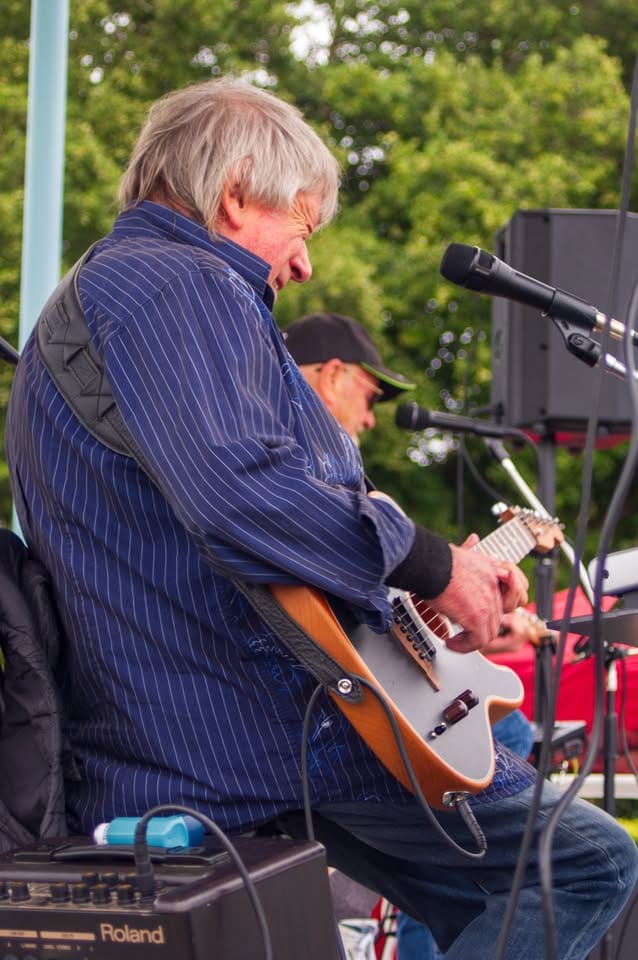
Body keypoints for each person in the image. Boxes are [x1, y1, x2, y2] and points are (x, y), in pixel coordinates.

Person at [5, 77, 636, 960]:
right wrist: (429, 562)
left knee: (483, 902)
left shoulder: (134, 291)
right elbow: (242, 492)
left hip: (219, 727)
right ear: (233, 195)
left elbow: (235, 523)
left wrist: (411, 601)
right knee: (578, 865)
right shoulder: (172, 285)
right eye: (302, 225)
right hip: (248, 731)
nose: (304, 265)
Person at [285, 311, 536, 959]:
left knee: (503, 748)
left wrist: (453, 613)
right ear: (332, 374)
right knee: (588, 857)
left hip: (350, 712)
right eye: (370, 397)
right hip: (320, 729)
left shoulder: (332, 480)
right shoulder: (294, 468)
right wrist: (450, 579)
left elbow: (389, 615)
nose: (371, 419)